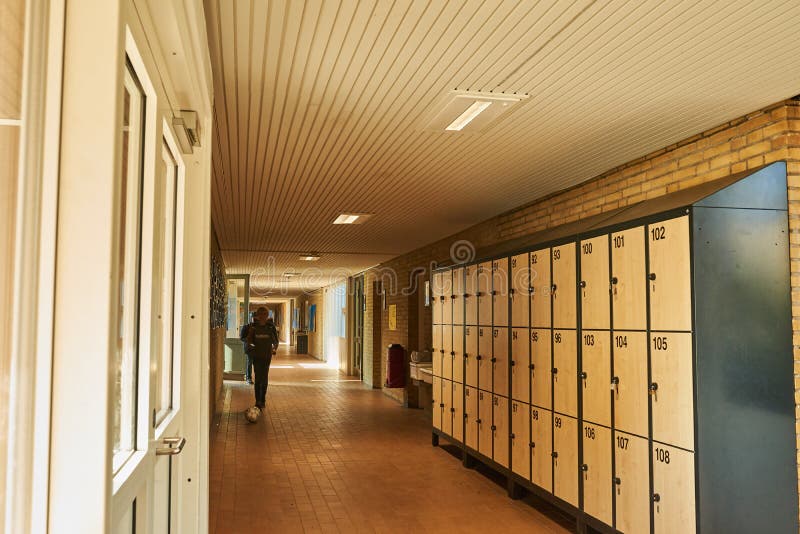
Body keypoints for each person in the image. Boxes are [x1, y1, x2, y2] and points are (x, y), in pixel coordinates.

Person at [244, 307, 279, 409]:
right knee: (258, 378)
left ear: (267, 315)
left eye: (265, 314)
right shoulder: (253, 327)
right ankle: (257, 401)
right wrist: (252, 347)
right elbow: (249, 340)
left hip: (267, 357)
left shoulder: (270, 328)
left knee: (264, 379)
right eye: (261, 314)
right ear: (258, 315)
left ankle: (263, 399)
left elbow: (275, 341)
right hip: (257, 357)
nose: (263, 316)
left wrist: (274, 348)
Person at [239, 312, 255, 384]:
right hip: (249, 348)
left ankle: (258, 378)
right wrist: (248, 339)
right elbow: (241, 338)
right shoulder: (246, 327)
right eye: (254, 318)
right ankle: (249, 378)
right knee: (249, 362)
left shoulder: (260, 328)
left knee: (258, 364)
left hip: (259, 349)